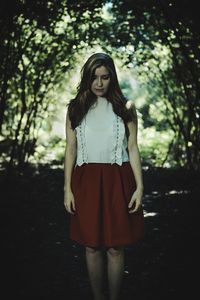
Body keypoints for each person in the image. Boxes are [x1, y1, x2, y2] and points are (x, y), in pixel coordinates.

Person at [64, 52, 144, 300]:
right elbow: (70, 149)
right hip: (86, 180)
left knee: (115, 247)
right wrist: (67, 188)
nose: (99, 83)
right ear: (87, 78)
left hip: (118, 180)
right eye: (94, 77)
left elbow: (132, 148)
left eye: (105, 77)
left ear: (113, 78)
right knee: (90, 246)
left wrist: (139, 187)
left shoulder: (125, 108)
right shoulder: (75, 107)